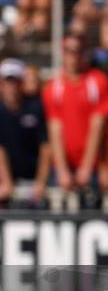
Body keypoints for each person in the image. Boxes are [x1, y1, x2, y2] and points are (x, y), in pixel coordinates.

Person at [42, 34, 107, 194]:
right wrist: (62, 169)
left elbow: (97, 126)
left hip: (95, 165)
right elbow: (55, 129)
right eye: (68, 51)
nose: (73, 56)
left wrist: (87, 167)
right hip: (66, 165)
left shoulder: (97, 81)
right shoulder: (53, 87)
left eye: (77, 51)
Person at [0, 58, 51, 205]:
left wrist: (41, 181)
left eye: (15, 81)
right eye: (7, 81)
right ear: (0, 84)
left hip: (36, 180)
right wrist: (5, 179)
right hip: (13, 180)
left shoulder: (36, 107)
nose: (11, 86)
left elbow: (46, 146)